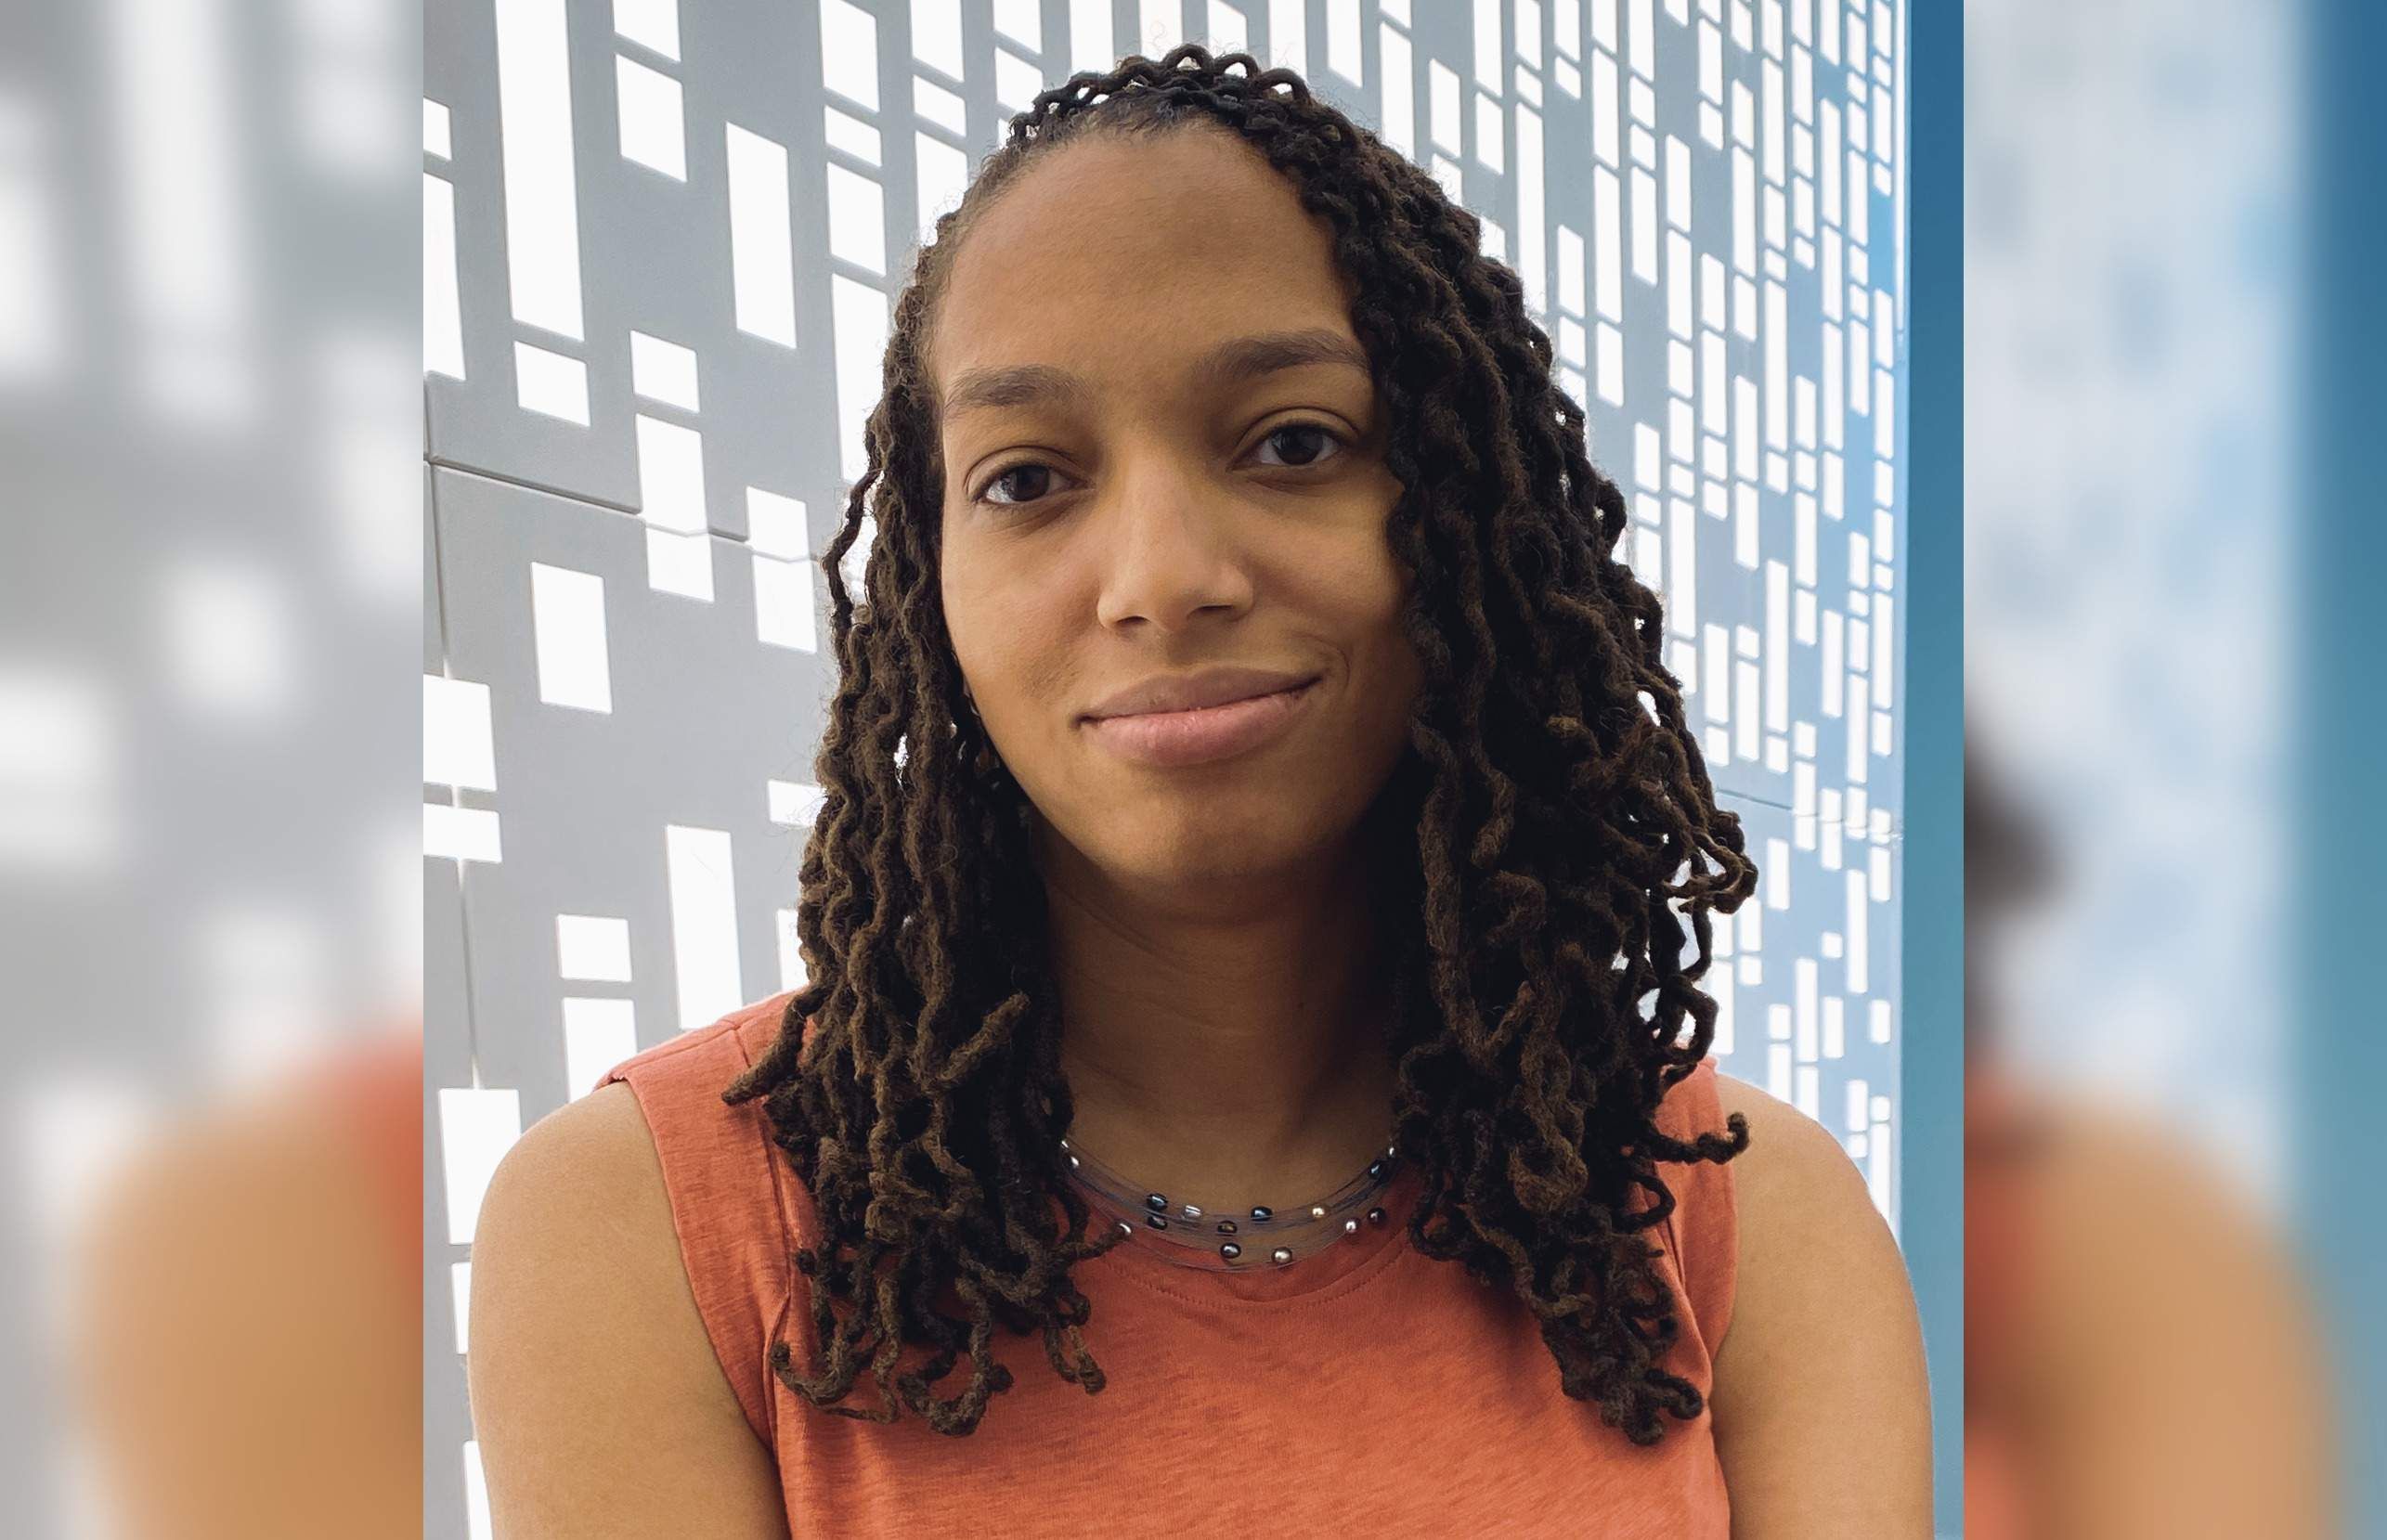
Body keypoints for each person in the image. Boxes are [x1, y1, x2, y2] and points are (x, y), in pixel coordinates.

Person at [467, 45, 1930, 1537]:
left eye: (1293, 443)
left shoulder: (1747, 1226)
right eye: (1027, 478)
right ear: (931, 582)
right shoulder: (652, 1234)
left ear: (1471, 516)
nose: (1162, 579)